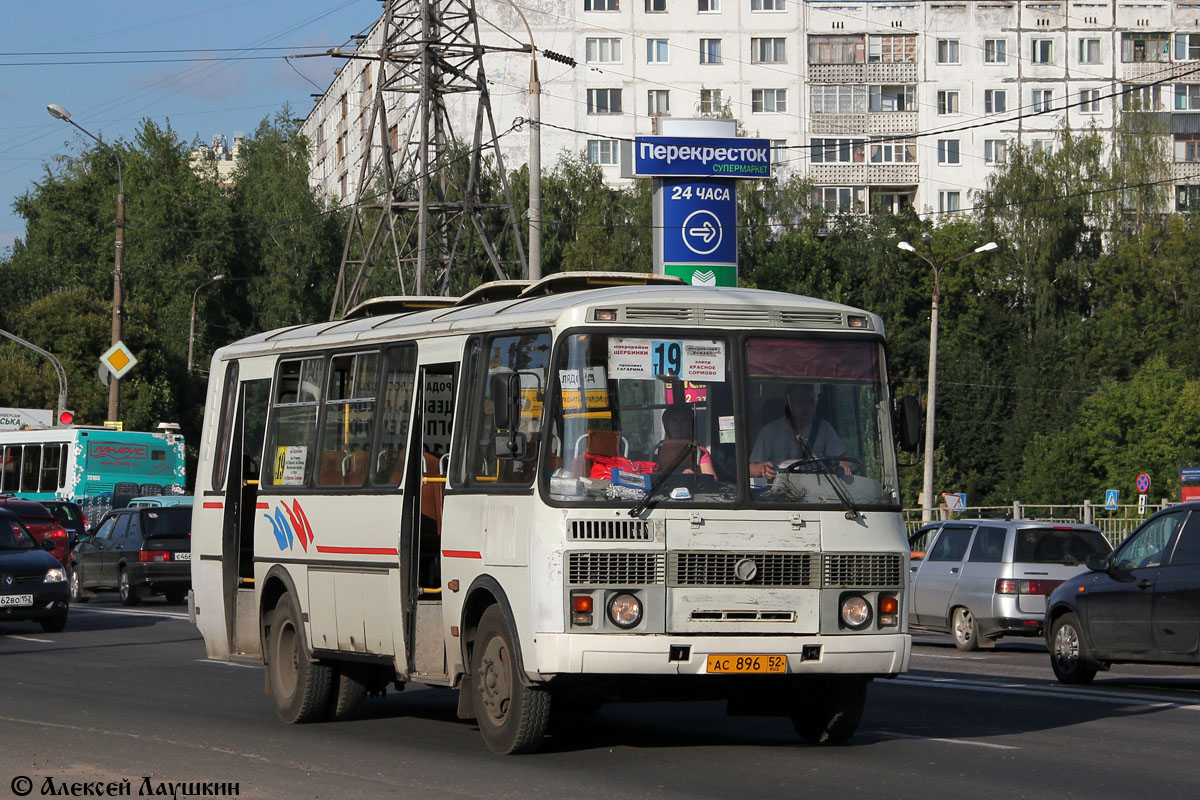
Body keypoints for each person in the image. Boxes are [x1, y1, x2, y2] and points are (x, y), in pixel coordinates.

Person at [749, 383, 849, 480]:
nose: (807, 407)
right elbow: (750, 469)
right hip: (780, 490)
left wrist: (843, 466)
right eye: (801, 402)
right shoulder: (770, 431)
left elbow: (843, 458)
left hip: (816, 491)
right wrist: (761, 469)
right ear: (788, 404)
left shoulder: (824, 428)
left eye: (811, 401)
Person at [658, 404, 716, 477]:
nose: (678, 425)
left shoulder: (699, 451)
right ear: (666, 425)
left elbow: (712, 480)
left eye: (684, 421)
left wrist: (694, 475)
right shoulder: (659, 449)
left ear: (691, 425)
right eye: (674, 421)